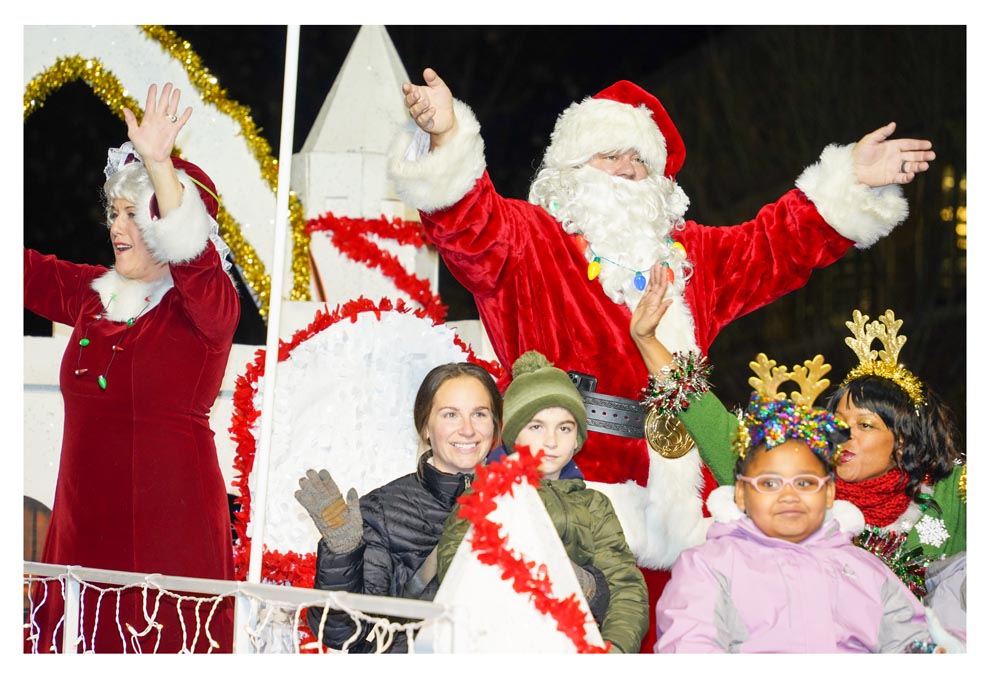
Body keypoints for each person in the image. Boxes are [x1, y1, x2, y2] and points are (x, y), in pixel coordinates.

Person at [389, 67, 935, 649]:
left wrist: (849, 180)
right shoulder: (530, 240)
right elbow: (470, 225)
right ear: (571, 171)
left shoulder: (690, 257)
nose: (628, 171)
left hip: (675, 490)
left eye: (640, 161)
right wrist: (448, 139)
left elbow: (774, 246)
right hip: (561, 474)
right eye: (610, 156)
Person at [24, 83, 239, 653]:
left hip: (170, 535)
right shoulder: (94, 295)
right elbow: (23, 271)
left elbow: (196, 262)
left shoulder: (205, 310)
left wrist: (161, 165)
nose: (117, 227)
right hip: (81, 530)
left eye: (134, 216)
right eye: (113, 212)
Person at [632, 264, 966, 631]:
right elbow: (707, 417)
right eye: (840, 420)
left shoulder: (952, 492)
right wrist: (647, 339)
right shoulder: (797, 475)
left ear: (903, 439)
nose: (845, 432)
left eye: (865, 425)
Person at [654, 392, 942, 653]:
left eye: (805, 482)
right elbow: (689, 645)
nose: (789, 495)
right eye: (769, 483)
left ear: (829, 492)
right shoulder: (710, 564)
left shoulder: (866, 569)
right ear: (741, 493)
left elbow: (909, 643)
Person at [436, 351, 649, 653]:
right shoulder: (485, 495)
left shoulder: (593, 505)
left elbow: (626, 586)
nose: (551, 441)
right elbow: (455, 567)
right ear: (513, 436)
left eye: (564, 427)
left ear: (577, 439)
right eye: (536, 426)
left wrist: (613, 650)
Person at [297, 362, 502, 653]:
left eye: (479, 414)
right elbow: (343, 634)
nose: (467, 429)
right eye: (450, 414)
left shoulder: (520, 504)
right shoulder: (382, 511)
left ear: (495, 426)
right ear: (425, 428)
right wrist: (342, 554)